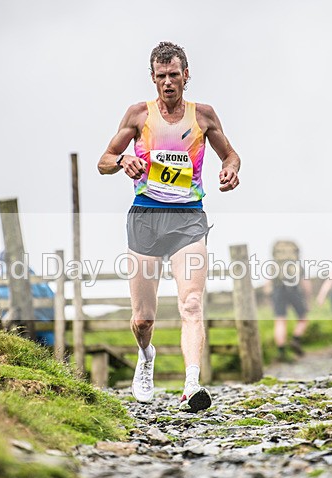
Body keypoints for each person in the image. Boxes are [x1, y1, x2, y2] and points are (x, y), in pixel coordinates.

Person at [97, 41, 240, 412]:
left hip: (188, 218)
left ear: (186, 75)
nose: (168, 83)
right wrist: (122, 161)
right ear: (152, 78)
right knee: (143, 318)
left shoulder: (203, 116)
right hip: (145, 215)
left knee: (191, 302)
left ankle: (191, 383)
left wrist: (231, 169)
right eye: (161, 77)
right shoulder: (138, 115)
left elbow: (231, 154)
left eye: (174, 75)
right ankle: (146, 357)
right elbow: (104, 160)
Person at [269, 240, 312, 361]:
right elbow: (306, 284)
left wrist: (271, 298)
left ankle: (281, 352)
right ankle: (296, 339)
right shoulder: (297, 265)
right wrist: (308, 300)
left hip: (278, 290)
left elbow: (268, 285)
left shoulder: (275, 265)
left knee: (280, 321)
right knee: (303, 318)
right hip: (294, 289)